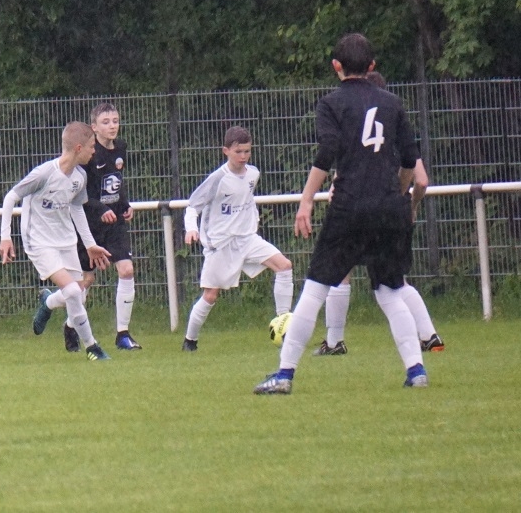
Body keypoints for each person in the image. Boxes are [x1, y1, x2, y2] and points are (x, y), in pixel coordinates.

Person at [254, 33, 428, 394]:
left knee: (316, 288)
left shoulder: (331, 103)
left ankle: (284, 375)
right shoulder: (393, 103)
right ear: (372, 66)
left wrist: (306, 201)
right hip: (388, 208)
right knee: (390, 290)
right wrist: (394, 195)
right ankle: (416, 370)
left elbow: (328, 151)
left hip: (348, 206)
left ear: (336, 66)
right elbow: (410, 163)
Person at [315, 71, 444, 356]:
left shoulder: (356, 127)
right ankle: (429, 335)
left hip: (359, 208)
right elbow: (422, 180)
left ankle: (334, 342)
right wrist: (407, 204)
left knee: (341, 272)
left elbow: (341, 172)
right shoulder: (396, 125)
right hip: (392, 213)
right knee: (394, 281)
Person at [0, 121, 113, 360]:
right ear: (79, 148)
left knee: (79, 295)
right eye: (92, 146)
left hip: (66, 240)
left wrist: (90, 244)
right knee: (72, 291)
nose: (94, 151)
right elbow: (11, 197)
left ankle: (49, 302)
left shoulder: (80, 176)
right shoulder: (44, 174)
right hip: (39, 241)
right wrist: (5, 237)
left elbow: (77, 209)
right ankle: (92, 348)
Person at [180, 126, 294, 351]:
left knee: (284, 266)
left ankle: (284, 325)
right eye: (238, 152)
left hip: (247, 239)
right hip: (221, 243)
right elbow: (193, 206)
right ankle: (190, 341)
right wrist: (191, 229)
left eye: (247, 151)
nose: (243, 156)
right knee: (211, 295)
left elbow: (246, 199)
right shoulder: (217, 179)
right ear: (226, 151)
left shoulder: (253, 173)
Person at [40, 103, 141, 353]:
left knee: (126, 270)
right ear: (94, 127)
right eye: (106, 122)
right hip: (89, 224)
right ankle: (61, 315)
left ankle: (123, 334)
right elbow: (80, 196)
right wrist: (100, 209)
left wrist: (125, 205)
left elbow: (116, 183)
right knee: (85, 282)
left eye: (115, 120)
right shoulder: (87, 155)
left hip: (114, 224)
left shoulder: (121, 148)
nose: (112, 126)